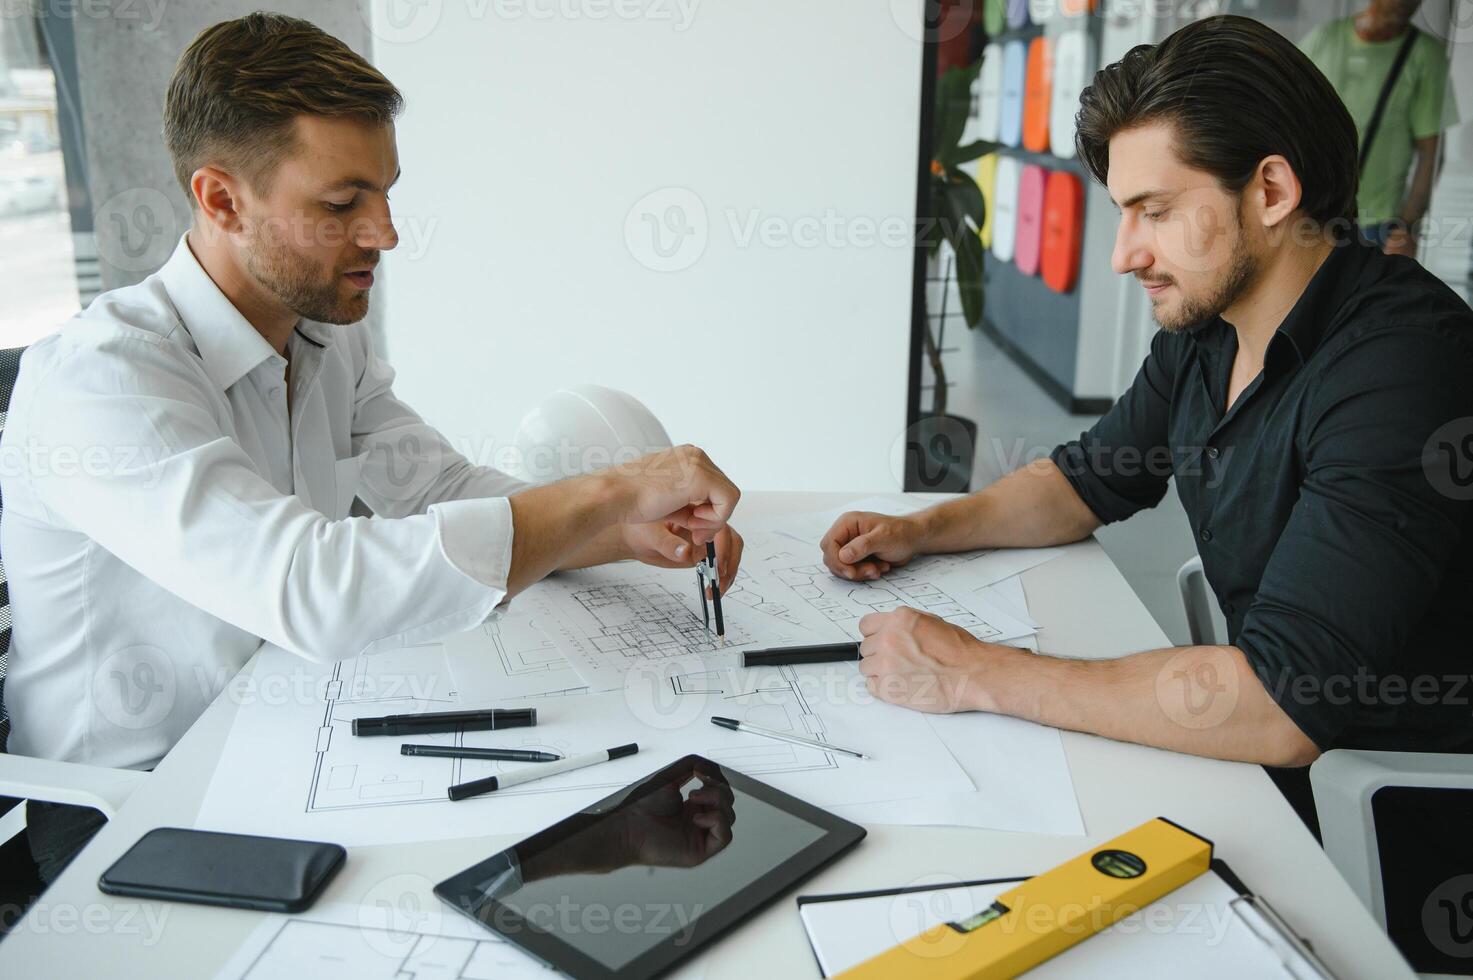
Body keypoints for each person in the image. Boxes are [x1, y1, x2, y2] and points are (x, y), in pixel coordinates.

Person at [0, 13, 743, 883]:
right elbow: (309, 587)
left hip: (283, 735)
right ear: (221, 200)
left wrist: (625, 532)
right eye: (342, 203)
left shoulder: (319, 334)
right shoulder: (104, 381)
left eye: (386, 193)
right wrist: (615, 490)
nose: (385, 233)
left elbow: (439, 484)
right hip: (129, 808)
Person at [824, 15, 1473, 832]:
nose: (1122, 253)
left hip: (1384, 812)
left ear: (1270, 191)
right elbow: (1084, 481)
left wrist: (973, 673)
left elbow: (1282, 705)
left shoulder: (1401, 368)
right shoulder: (1212, 327)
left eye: (1154, 211)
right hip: (1264, 761)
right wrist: (921, 528)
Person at [1299, 0, 1453, 256]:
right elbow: (1283, 117)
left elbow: (1431, 154)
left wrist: (1408, 227)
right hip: (1313, 210)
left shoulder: (1424, 54)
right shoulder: (1325, 38)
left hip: (1378, 223)